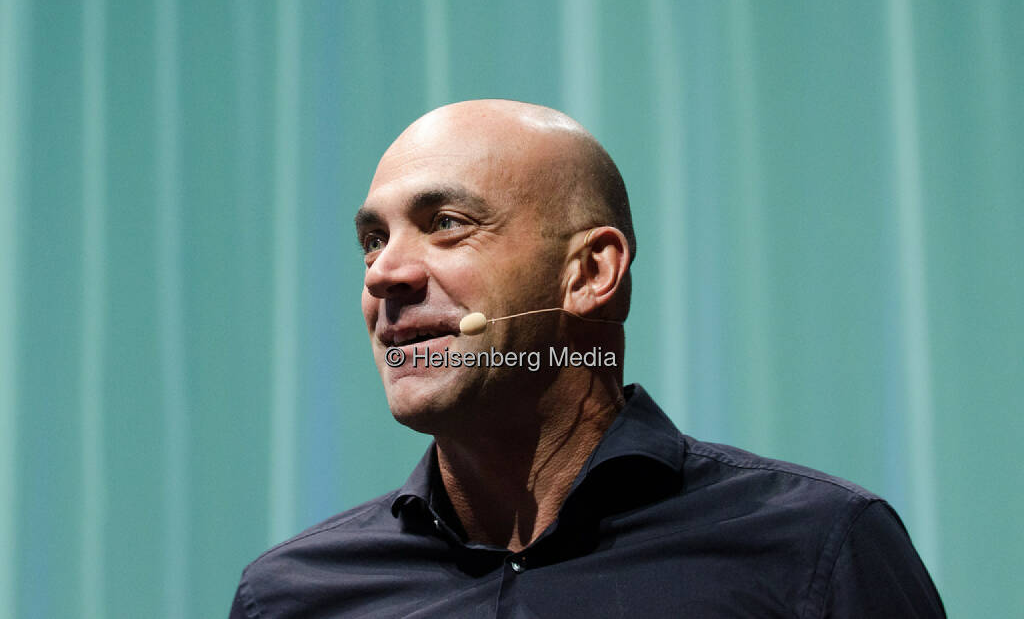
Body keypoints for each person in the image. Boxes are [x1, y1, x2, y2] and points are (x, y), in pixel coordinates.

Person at [230, 100, 945, 618]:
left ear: (591, 272)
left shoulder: (815, 549)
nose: (384, 273)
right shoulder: (294, 595)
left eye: (445, 225)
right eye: (372, 240)